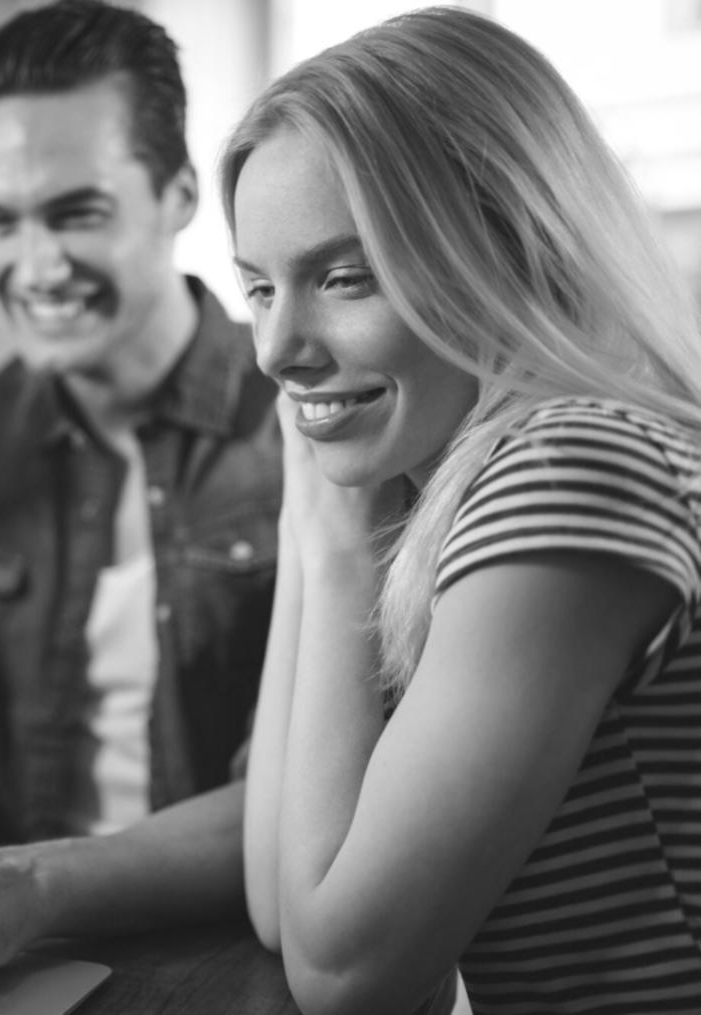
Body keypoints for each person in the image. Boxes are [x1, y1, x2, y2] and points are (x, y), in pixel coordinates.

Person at [225, 7, 701, 1014]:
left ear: (506, 249)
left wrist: (338, 549)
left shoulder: (570, 466)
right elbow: (279, 898)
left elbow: (344, 973)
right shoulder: (463, 480)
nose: (274, 350)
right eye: (259, 287)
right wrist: (316, 530)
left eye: (343, 277)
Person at [0, 2, 281, 1010]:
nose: (33, 268)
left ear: (175, 195)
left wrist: (24, 883)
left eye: (75, 212)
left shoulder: (296, 433)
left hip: (231, 960)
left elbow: (289, 804)